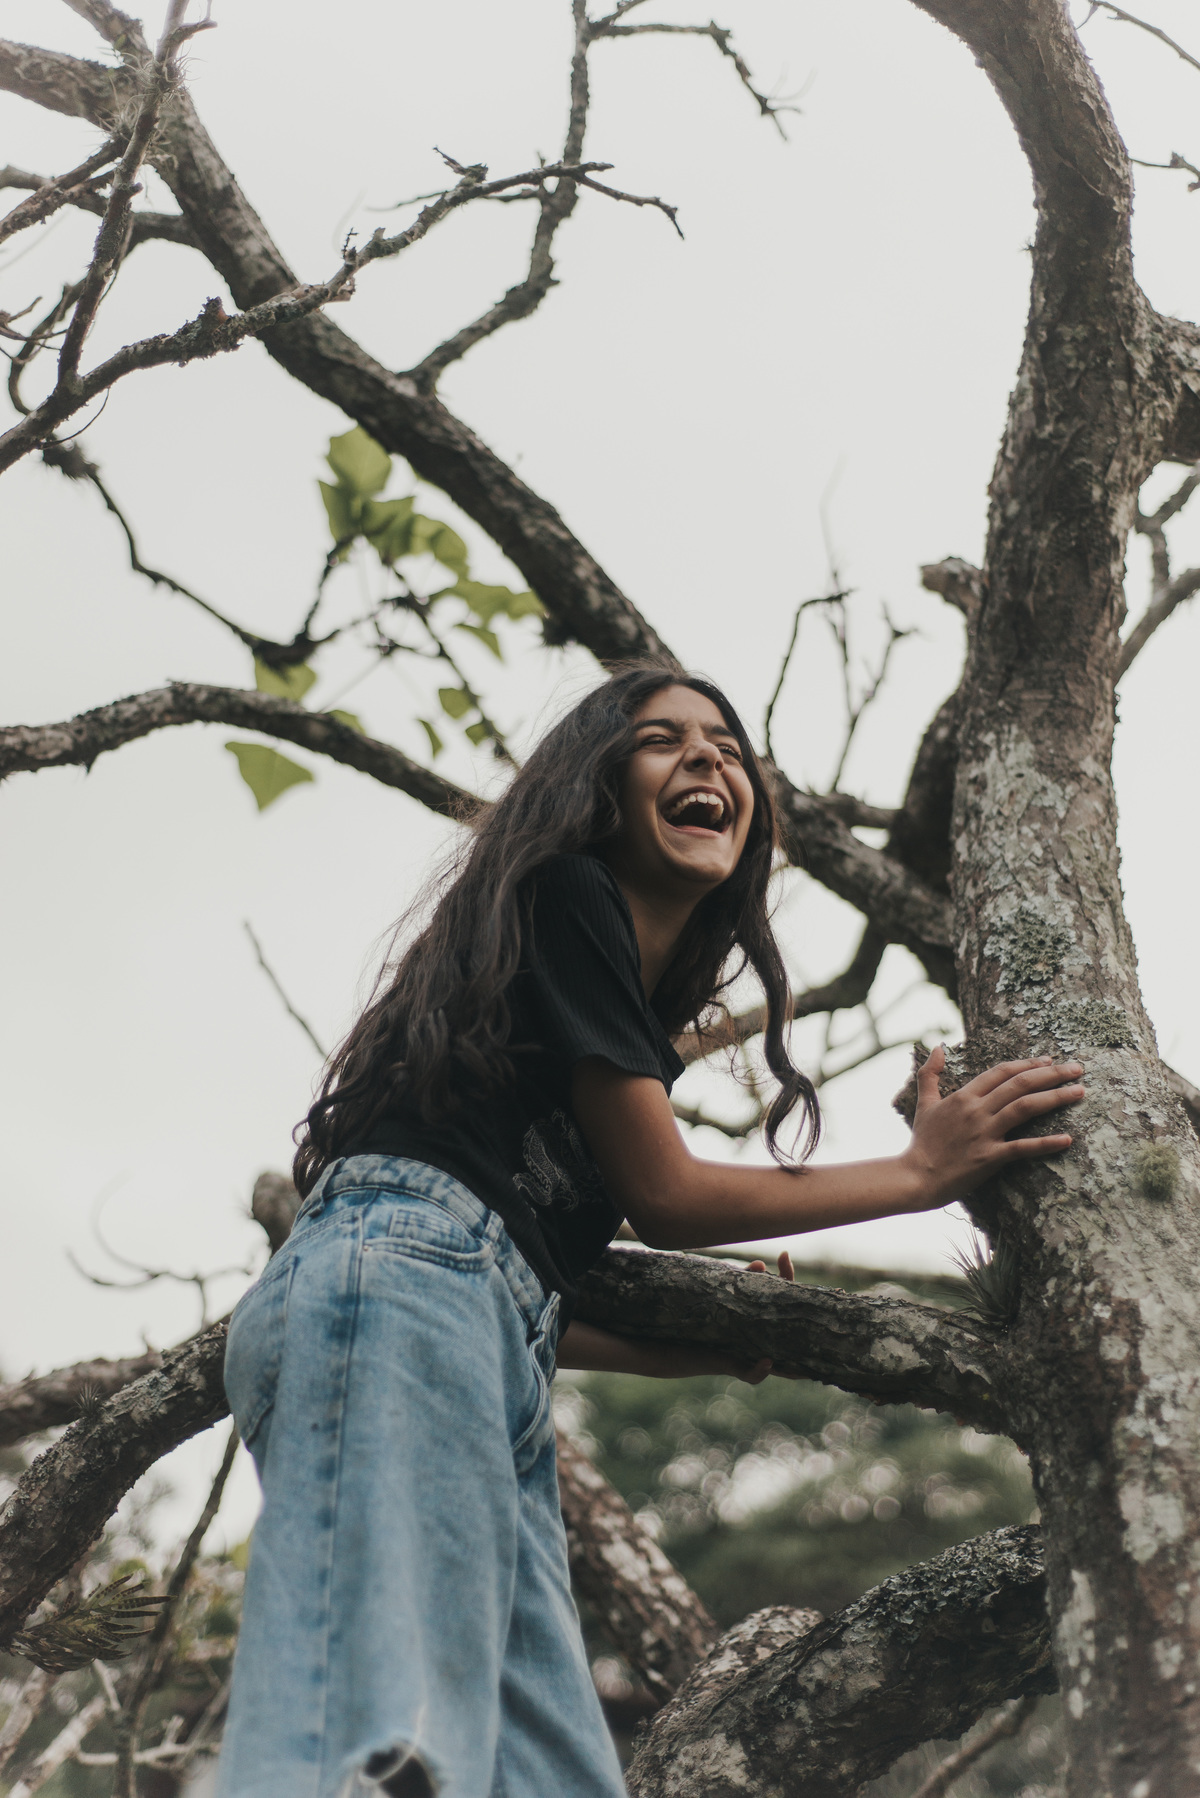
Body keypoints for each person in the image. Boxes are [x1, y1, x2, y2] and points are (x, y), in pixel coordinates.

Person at [216, 662, 1084, 1798]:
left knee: (554, 1774)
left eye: (727, 746)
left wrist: (677, 1350)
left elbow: (505, 1271)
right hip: (390, 1298)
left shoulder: (606, 1013)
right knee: (375, 1738)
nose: (708, 758)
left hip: (466, 1340)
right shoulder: (565, 894)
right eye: (662, 739)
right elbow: (661, 1196)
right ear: (595, 785)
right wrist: (922, 1170)